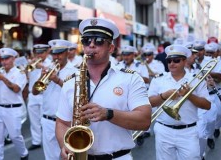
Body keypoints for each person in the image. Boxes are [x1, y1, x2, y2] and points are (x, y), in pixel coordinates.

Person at [56, 17, 151, 160]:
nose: (91, 45)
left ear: (111, 48)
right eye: (86, 40)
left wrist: (108, 114)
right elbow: (62, 123)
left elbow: (144, 120)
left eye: (99, 41)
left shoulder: (130, 78)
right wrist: (65, 145)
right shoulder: (70, 81)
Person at [148, 44, 211, 160]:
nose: (172, 64)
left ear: (184, 61)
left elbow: (207, 105)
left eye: (176, 60)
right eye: (169, 60)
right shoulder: (158, 79)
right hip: (164, 130)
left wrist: (189, 95)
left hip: (189, 132)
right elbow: (148, 103)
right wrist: (163, 96)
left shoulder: (196, 79)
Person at [32, 39, 77, 160]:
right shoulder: (47, 68)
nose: (56, 57)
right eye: (54, 53)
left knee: (68, 156)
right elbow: (35, 92)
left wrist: (57, 80)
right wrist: (41, 77)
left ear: (67, 52)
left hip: (66, 122)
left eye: (60, 53)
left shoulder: (74, 71)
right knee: (50, 157)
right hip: (47, 120)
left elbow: (75, 93)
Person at [0, 47, 29, 160]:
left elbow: (17, 89)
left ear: (13, 59)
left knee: (15, 136)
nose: (4, 62)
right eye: (2, 59)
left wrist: (3, 78)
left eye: (6, 59)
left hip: (13, 109)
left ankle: (24, 153)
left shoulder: (20, 73)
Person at [27, 44, 52, 150]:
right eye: (37, 52)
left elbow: (51, 72)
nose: (39, 55)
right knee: (34, 120)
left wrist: (40, 66)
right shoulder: (32, 63)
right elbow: (26, 74)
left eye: (41, 52)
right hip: (32, 95)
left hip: (44, 95)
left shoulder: (50, 63)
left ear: (46, 53)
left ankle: (46, 140)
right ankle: (36, 141)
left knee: (44, 120)